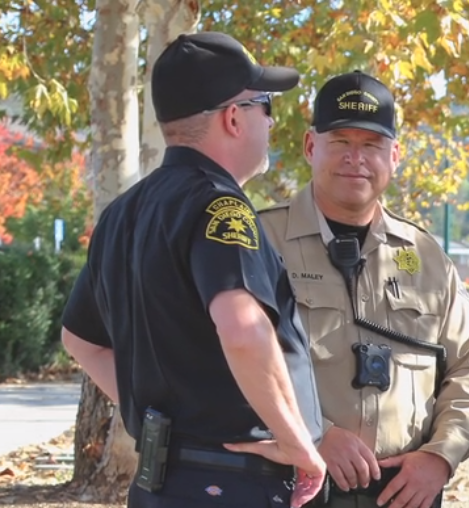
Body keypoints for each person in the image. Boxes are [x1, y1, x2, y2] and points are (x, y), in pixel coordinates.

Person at [58, 32, 327, 508]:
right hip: (233, 483)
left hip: (161, 481)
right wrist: (298, 445)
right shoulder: (222, 207)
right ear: (232, 117)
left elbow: (80, 341)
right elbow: (243, 329)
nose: (271, 121)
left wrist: (166, 423)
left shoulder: (124, 212)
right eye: (266, 106)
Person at [258, 70, 469, 508]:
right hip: (293, 487)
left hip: (404, 495)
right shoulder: (260, 242)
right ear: (311, 146)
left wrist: (441, 457)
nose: (356, 158)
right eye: (341, 142)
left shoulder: (426, 256)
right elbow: (225, 363)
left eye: (371, 144)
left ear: (395, 155)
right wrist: (314, 432)